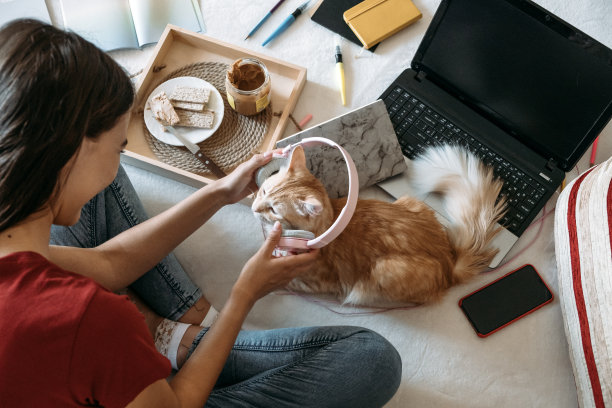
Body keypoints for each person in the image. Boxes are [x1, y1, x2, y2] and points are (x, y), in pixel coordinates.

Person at [0, 19, 402, 408]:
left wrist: (219, 193)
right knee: (371, 360)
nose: (118, 157)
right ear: (73, 150)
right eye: (119, 147)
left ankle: (174, 334)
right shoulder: (92, 318)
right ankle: (177, 343)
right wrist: (244, 294)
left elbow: (109, 263)